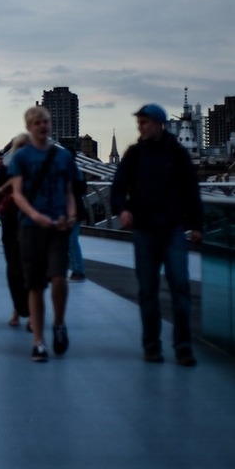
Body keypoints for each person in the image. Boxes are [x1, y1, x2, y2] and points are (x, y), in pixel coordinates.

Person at [110, 103, 204, 366]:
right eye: (139, 123)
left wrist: (197, 225)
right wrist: (123, 210)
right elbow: (118, 188)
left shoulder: (178, 154)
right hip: (144, 231)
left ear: (160, 123)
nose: (141, 127)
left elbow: (191, 191)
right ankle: (152, 346)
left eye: (145, 123)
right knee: (147, 291)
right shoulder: (134, 154)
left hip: (173, 230)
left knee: (180, 289)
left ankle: (183, 348)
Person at [9, 106, 78, 362]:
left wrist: (71, 213)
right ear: (29, 127)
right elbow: (17, 193)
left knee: (59, 278)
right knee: (35, 285)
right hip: (31, 226)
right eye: (37, 123)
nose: (43, 126)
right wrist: (35, 216)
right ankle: (38, 341)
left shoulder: (63, 157)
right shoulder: (21, 158)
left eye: (46, 122)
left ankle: (59, 323)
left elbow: (70, 190)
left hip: (59, 225)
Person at [0, 139, 27, 327]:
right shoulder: (4, 171)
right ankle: (18, 308)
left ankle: (31, 312)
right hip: (11, 223)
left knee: (32, 269)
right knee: (14, 269)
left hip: (31, 224)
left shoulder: (37, 169)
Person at [67, 162, 88, 282]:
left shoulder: (71, 174)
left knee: (72, 241)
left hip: (73, 213)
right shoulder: (78, 174)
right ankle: (75, 269)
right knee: (71, 242)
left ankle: (78, 271)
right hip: (75, 212)